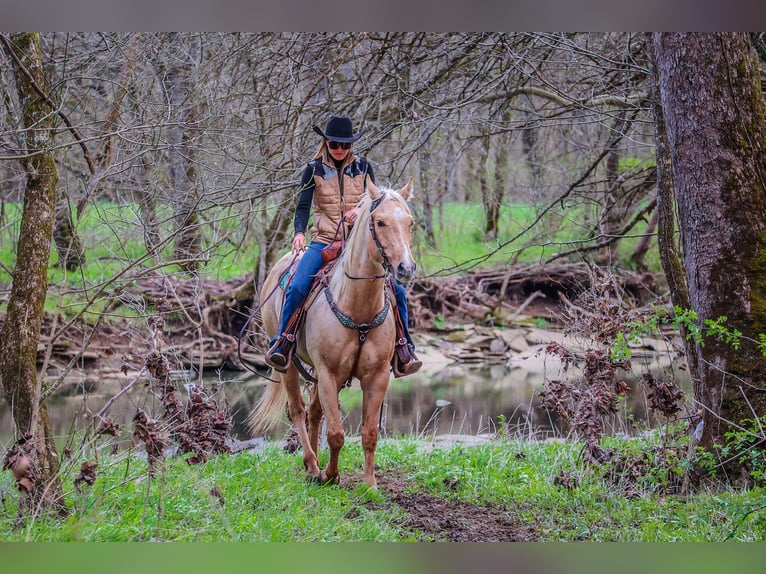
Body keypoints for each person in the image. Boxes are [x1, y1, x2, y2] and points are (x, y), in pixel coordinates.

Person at [265, 115, 422, 377]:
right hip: (324, 241)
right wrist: (299, 233)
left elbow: (374, 204)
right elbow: (303, 206)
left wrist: (356, 213)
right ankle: (283, 340)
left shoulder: (363, 167)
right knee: (298, 284)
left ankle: (404, 348)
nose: (340, 150)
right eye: (335, 144)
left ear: (351, 146)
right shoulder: (313, 169)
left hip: (356, 244)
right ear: (326, 143)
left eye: (345, 145)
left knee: (397, 291)